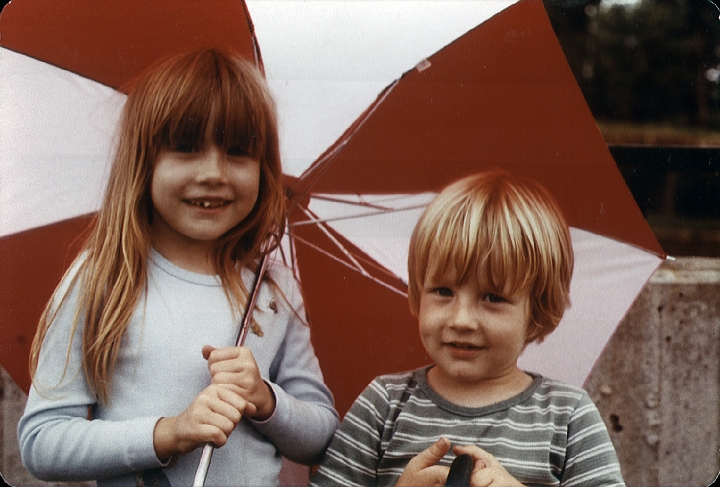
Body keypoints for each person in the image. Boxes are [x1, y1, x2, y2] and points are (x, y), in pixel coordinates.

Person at [18, 47, 338, 487]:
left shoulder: (274, 288)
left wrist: (265, 399)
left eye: (238, 152)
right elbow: (42, 440)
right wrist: (168, 433)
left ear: (264, 169)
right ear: (143, 163)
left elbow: (321, 437)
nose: (214, 173)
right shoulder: (104, 279)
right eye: (186, 148)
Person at [310, 170, 625, 487]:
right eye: (443, 291)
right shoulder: (383, 406)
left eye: (493, 297)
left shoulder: (568, 417)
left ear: (537, 313)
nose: (461, 320)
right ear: (419, 295)